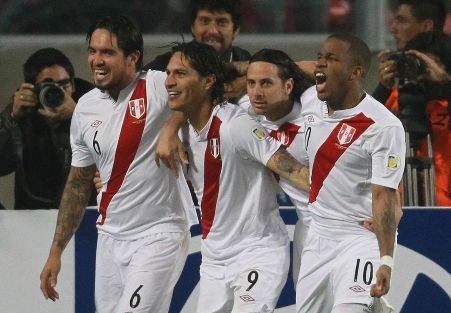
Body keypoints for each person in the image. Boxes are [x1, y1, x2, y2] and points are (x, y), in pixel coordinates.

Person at [40, 16, 197, 313]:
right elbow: (77, 182)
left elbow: (201, 89)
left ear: (132, 57)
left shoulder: (156, 86)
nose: (97, 60)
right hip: (111, 237)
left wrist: (170, 128)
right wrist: (56, 251)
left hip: (159, 233)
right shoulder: (85, 108)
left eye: (108, 52)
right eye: (93, 51)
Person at [165, 41, 310, 313]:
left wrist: (355, 200)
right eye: (168, 73)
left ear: (208, 81)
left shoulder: (236, 125)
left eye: (180, 74)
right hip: (213, 260)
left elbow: (294, 171)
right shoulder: (179, 132)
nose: (169, 82)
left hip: (256, 252)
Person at [296, 33, 405, 313]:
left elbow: (384, 195)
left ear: (355, 72)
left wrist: (386, 260)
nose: (320, 63)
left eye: (331, 58)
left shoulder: (383, 125)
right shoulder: (310, 101)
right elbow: (298, 67)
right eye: (319, 56)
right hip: (318, 238)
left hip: (360, 237)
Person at [243, 48, 313, 285]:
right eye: (251, 83)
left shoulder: (316, 118)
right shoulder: (243, 116)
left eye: (266, 83)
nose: (256, 92)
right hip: (302, 227)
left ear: (288, 86)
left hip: (335, 224)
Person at [0, 47, 97, 209]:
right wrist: (12, 119)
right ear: (32, 89)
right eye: (48, 86)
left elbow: (115, 157)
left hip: (82, 215)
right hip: (33, 215)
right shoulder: (24, 113)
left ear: (73, 85)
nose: (57, 92)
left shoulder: (95, 108)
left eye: (63, 84)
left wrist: (78, 117)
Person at [383, 31, 451, 206]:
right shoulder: (396, 99)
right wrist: (383, 87)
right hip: (399, 198)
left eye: (431, 63)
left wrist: (445, 83)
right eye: (418, 63)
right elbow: (358, 131)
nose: (423, 70)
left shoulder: (446, 102)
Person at [144, 0, 251, 102]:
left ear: (236, 30)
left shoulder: (246, 61)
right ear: (192, 27)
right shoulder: (166, 64)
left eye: (221, 22)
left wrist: (249, 81)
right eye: (205, 21)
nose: (212, 31)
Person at [373, 0, 446, 103]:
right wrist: (384, 87)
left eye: (401, 21)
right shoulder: (400, 83)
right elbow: (366, 118)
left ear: (426, 26)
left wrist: (445, 85)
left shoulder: (445, 76)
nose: (392, 29)